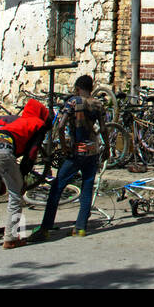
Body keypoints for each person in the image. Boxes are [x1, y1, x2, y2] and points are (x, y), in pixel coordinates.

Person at [30, 75, 104, 241]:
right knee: (87, 186)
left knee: (57, 187)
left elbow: (61, 125)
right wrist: (104, 152)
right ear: (91, 88)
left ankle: (46, 227)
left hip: (76, 151)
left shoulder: (73, 102)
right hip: (93, 150)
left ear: (78, 88)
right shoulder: (98, 104)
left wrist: (64, 146)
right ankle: (80, 227)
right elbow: (104, 129)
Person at [0, 98, 51, 249]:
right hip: (2, 150)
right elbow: (31, 154)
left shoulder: (18, 122)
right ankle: (10, 237)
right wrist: (22, 176)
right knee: (15, 193)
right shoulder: (38, 124)